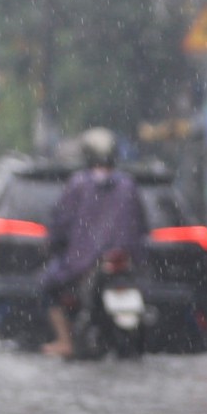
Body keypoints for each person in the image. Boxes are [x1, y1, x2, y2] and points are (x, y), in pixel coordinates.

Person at [39, 128, 148, 357]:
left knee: (47, 287)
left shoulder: (78, 184)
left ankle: (64, 340)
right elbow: (143, 225)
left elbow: (61, 224)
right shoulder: (128, 184)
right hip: (126, 261)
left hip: (85, 263)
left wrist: (53, 244)